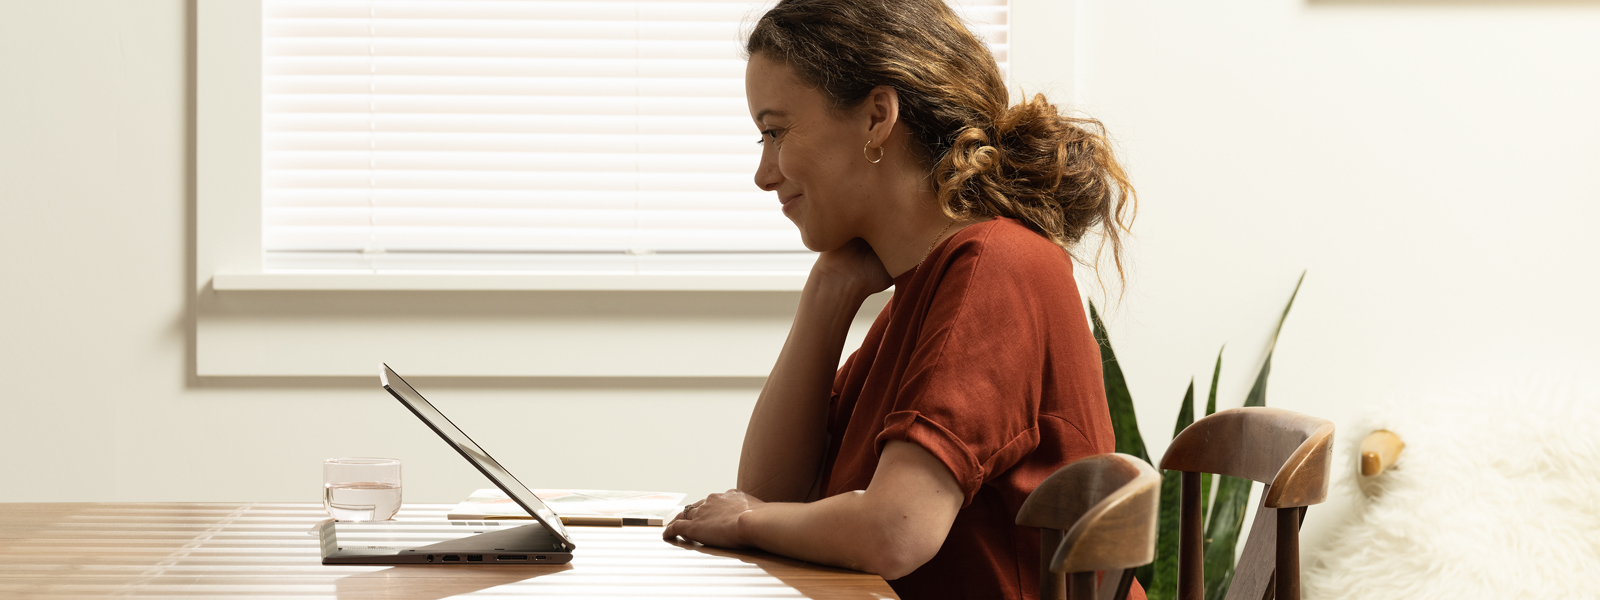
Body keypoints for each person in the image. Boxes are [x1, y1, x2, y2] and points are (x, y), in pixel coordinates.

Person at [661, 0, 1140, 598]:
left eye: (775, 131)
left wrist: (741, 519)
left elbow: (896, 530)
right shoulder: (928, 282)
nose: (764, 172)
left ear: (876, 118)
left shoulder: (995, 267)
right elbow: (773, 492)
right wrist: (828, 295)